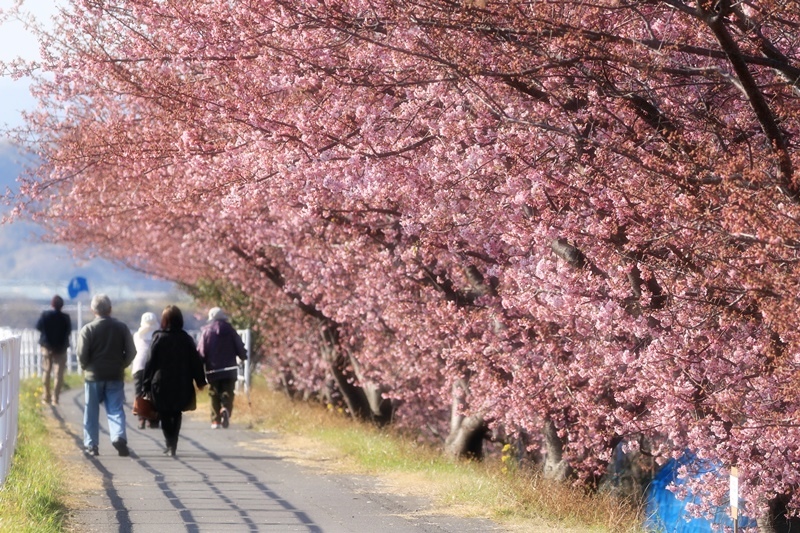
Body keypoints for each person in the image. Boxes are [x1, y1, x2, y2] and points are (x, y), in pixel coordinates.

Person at [77, 294, 136, 457]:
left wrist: (86, 367)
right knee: (116, 408)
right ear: (110, 309)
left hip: (93, 376)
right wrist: (121, 365)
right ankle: (118, 436)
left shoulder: (88, 329)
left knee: (91, 410)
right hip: (115, 374)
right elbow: (132, 351)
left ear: (93, 310)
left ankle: (91, 445)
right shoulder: (121, 328)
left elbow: (81, 354)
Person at [143, 305, 206, 457]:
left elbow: (150, 362)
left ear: (164, 320)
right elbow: (195, 362)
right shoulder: (186, 339)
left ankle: (168, 443)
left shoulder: (158, 338)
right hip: (182, 382)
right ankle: (174, 444)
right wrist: (200, 380)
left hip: (161, 382)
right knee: (176, 413)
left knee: (164, 413)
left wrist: (145, 383)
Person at [197, 307, 247, 429]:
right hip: (230, 369)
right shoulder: (230, 330)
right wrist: (243, 356)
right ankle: (225, 408)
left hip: (213, 369)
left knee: (214, 393)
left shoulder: (206, 332)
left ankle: (215, 421)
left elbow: (201, 352)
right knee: (228, 391)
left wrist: (199, 365)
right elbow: (240, 347)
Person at [35, 294, 72, 406]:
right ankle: (55, 398)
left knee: (46, 371)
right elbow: (68, 331)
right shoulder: (65, 318)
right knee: (58, 374)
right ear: (62, 305)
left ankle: (46, 397)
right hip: (61, 348)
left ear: (52, 304)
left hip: (47, 347)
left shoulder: (45, 315)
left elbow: (38, 327)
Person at [132, 312, 160, 429]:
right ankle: (152, 420)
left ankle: (141, 419)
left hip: (139, 366)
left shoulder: (137, 335)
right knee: (155, 392)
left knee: (139, 393)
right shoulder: (158, 335)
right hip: (155, 366)